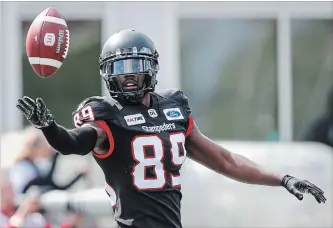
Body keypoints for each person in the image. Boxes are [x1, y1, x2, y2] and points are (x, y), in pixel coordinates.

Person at [16, 29, 326, 228]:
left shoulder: (174, 106)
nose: (128, 76)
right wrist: (48, 126)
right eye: (120, 68)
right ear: (108, 73)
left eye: (136, 66)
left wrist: (282, 178)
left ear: (151, 67)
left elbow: (224, 160)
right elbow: (74, 143)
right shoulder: (106, 115)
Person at [10, 126, 87, 196]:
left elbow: (55, 186)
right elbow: (20, 192)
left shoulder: (40, 165)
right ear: (36, 148)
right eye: (44, 145)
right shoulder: (21, 167)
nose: (47, 148)